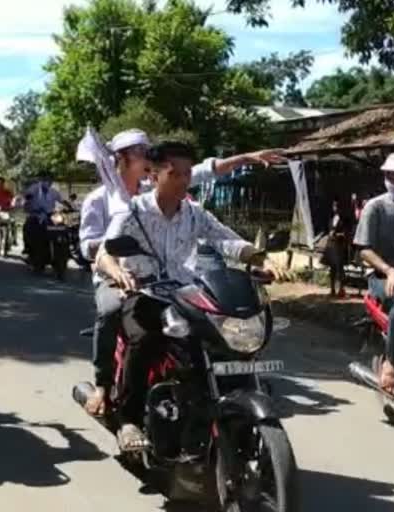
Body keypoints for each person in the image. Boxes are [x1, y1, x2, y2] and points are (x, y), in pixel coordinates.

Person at [80, 129, 286, 416]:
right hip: (144, 293)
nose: (183, 180)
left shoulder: (194, 213)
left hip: (185, 294)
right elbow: (104, 252)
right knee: (145, 340)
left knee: (216, 339)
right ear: (153, 175)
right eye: (174, 174)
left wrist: (258, 257)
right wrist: (115, 270)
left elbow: (225, 238)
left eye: (187, 174)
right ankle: (129, 416)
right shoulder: (132, 212)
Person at [353, 152, 394, 401]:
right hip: (382, 277)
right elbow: (364, 250)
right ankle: (391, 364)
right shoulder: (376, 206)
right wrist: (390, 270)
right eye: (389, 173)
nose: (393, 178)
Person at [22, 170, 73, 256]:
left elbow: (61, 201)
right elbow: (27, 197)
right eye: (45, 179)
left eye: (49, 179)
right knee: (27, 226)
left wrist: (67, 207)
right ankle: (28, 248)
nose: (47, 181)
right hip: (36, 214)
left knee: (63, 226)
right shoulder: (33, 188)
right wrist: (27, 203)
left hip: (51, 215)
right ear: (40, 179)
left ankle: (65, 249)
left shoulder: (54, 191)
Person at [324, 199, 350, 297]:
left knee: (340, 268)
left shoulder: (344, 219)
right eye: (334, 206)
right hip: (331, 245)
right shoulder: (331, 218)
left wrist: (337, 234)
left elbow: (346, 233)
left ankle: (341, 289)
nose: (335, 208)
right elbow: (329, 230)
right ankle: (332, 289)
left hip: (339, 246)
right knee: (332, 269)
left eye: (337, 206)